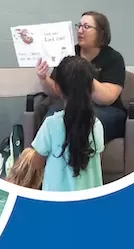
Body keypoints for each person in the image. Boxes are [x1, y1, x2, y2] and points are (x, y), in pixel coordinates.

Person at [35, 11, 127, 143]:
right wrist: (43, 78)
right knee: (52, 118)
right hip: (70, 104)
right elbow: (56, 91)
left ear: (101, 33)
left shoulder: (113, 58)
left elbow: (107, 98)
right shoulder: (69, 53)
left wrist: (84, 72)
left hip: (106, 109)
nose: (80, 31)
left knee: (85, 121)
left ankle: (81, 160)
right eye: (79, 26)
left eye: (86, 27)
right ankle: (50, 159)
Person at [31, 55, 105, 191]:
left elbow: (36, 164)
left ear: (57, 88)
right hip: (90, 204)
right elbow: (97, 159)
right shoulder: (96, 125)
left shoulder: (51, 125)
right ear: (91, 87)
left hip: (56, 206)